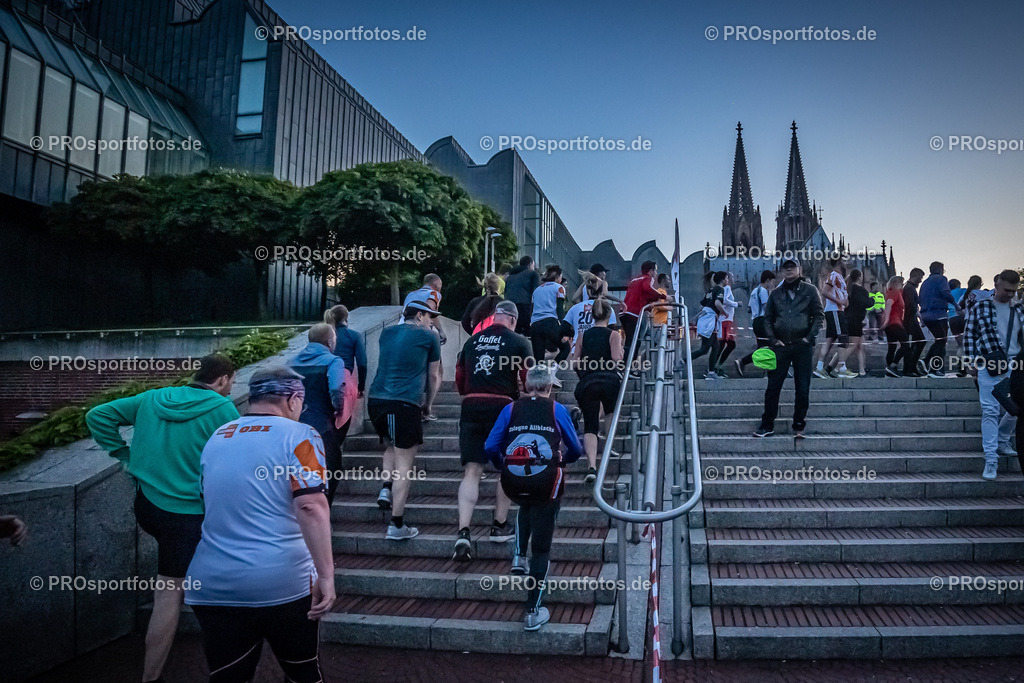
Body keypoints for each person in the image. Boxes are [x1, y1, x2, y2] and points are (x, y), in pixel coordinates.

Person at [85, 354, 238, 683]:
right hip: (187, 517)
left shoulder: (153, 398)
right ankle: (151, 677)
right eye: (232, 383)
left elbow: (98, 416)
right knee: (169, 593)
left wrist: (124, 457)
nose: (231, 389)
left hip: (148, 508)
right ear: (224, 379)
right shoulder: (223, 409)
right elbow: (234, 462)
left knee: (190, 577)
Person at [185, 367, 334, 683]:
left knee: (229, 676)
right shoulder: (301, 435)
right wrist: (326, 575)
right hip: (282, 579)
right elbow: (310, 505)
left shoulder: (218, 436)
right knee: (302, 671)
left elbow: (205, 500)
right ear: (293, 399)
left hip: (212, 582)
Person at [485, 365, 583, 631]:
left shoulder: (510, 408)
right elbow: (575, 447)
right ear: (549, 388)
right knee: (541, 547)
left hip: (513, 477)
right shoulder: (556, 409)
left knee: (525, 501)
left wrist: (501, 463)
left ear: (526, 386)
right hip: (546, 478)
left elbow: (490, 446)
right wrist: (564, 460)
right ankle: (533, 609)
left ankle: (518, 555)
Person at [453, 301, 532, 562]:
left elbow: (460, 380)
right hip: (503, 407)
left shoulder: (472, 342)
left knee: (472, 471)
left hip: (472, 404)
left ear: (494, 317)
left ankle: (463, 531)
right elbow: (529, 379)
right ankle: (499, 526)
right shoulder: (519, 342)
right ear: (512, 319)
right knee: (506, 467)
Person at [367, 300, 442, 539]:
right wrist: (428, 405)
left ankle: (385, 489)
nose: (433, 322)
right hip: (403, 403)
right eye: (430, 316)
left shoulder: (386, 333)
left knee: (391, 445)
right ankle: (397, 525)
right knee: (405, 465)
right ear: (419, 315)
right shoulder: (430, 337)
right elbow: (433, 375)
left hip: (376, 400)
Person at [963, 269, 1023, 480]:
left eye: (1014, 291)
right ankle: (991, 459)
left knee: (1016, 408)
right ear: (996, 285)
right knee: (989, 411)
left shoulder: (1019, 309)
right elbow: (970, 334)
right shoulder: (981, 306)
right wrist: (969, 362)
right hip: (988, 363)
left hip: (1016, 365)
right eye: (1007, 290)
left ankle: (1002, 439)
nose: (1010, 294)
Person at [754, 259, 823, 438]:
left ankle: (799, 425)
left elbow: (818, 315)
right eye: (786, 267)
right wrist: (774, 340)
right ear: (782, 271)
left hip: (803, 346)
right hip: (781, 346)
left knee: (802, 387)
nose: (789, 269)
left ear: (799, 270)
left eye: (792, 267)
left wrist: (809, 338)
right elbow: (768, 318)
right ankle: (767, 424)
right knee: (773, 387)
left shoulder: (810, 290)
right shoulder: (775, 293)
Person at [290, 323, 347, 504]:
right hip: (321, 425)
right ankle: (323, 514)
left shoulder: (291, 363)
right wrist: (338, 407)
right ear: (330, 342)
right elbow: (337, 388)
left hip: (293, 426)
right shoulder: (333, 361)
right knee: (332, 468)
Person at [571, 297, 623, 483]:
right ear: (609, 315)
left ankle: (591, 466)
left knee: (590, 424)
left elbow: (575, 361)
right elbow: (617, 358)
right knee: (610, 413)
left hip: (589, 382)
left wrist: (584, 373)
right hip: (610, 381)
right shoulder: (613, 334)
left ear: (592, 316)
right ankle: (609, 449)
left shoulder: (583, 335)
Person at [325, 304, 367, 440]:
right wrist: (361, 387)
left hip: (323, 378)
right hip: (344, 381)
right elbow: (362, 363)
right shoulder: (353, 336)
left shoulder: (327, 335)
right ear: (346, 317)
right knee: (342, 424)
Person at [530, 264, 570, 387]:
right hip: (550, 322)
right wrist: (564, 329)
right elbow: (559, 310)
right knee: (565, 348)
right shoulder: (559, 288)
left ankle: (537, 385)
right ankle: (552, 373)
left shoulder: (537, 290)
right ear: (558, 276)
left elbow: (532, 308)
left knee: (539, 358)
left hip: (535, 324)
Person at [814, 258, 854, 379]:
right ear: (838, 263)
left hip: (837, 310)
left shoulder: (839, 277)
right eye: (842, 262)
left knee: (830, 341)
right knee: (842, 338)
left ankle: (820, 368)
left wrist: (845, 301)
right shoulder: (834, 275)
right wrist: (840, 301)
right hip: (835, 311)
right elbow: (824, 292)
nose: (844, 264)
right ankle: (842, 368)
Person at [920, 261, 958, 378]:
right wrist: (956, 305)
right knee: (942, 341)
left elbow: (920, 298)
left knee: (939, 340)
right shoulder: (941, 279)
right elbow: (946, 293)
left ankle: (926, 361)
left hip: (926, 315)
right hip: (938, 314)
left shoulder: (925, 283)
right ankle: (936, 370)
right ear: (940, 269)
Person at [621, 260, 668, 356]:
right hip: (633, 313)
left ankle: (625, 365)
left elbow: (642, 295)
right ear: (651, 271)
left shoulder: (634, 280)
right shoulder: (648, 278)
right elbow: (648, 289)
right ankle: (629, 366)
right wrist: (664, 296)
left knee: (630, 340)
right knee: (635, 341)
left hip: (624, 313)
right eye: (655, 270)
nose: (656, 273)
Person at [735, 270, 776, 377]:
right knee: (768, 347)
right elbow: (766, 307)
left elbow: (749, 308)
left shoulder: (754, 291)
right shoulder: (763, 291)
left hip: (756, 321)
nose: (772, 284)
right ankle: (743, 361)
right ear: (767, 280)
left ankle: (765, 371)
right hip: (762, 321)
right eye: (772, 282)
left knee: (763, 348)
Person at [566, 270, 619, 348]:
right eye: (603, 274)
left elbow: (574, 298)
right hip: (598, 309)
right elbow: (605, 294)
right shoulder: (603, 283)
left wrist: (580, 305)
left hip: (583, 313)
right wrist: (620, 300)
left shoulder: (584, 284)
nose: (604, 276)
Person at [691, 271, 728, 379]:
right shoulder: (720, 289)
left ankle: (711, 372)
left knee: (716, 346)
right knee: (705, 349)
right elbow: (717, 303)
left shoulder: (710, 291)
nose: (728, 280)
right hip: (709, 320)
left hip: (707, 319)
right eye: (727, 278)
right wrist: (724, 312)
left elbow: (702, 305)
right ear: (722, 280)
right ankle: (683, 361)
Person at [881, 275, 911, 377]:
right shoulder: (894, 292)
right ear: (895, 283)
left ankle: (890, 370)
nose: (902, 285)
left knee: (892, 347)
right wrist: (887, 320)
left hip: (892, 324)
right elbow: (888, 304)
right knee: (905, 345)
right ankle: (892, 366)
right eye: (901, 283)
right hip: (894, 323)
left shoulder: (893, 292)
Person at [845, 269, 873, 377]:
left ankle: (862, 370)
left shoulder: (849, 288)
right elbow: (866, 303)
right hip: (855, 320)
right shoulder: (860, 290)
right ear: (860, 277)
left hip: (850, 319)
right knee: (853, 345)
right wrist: (872, 300)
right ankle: (836, 366)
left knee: (860, 346)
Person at [504, 256, 541, 335]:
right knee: (529, 333)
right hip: (525, 307)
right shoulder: (533, 274)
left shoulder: (510, 276)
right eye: (533, 265)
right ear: (530, 264)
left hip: (509, 307)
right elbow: (536, 293)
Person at [903, 268, 927, 377]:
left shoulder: (910, 288)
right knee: (919, 342)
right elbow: (911, 306)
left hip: (911, 319)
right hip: (908, 320)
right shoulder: (909, 288)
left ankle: (910, 367)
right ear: (915, 276)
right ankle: (909, 368)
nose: (921, 280)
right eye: (920, 278)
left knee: (917, 343)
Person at [715, 273, 739, 376]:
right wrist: (737, 304)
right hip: (725, 320)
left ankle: (716, 367)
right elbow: (723, 300)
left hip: (727, 320)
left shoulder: (726, 289)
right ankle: (713, 368)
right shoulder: (727, 288)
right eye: (731, 277)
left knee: (729, 344)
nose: (733, 279)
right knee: (723, 344)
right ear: (727, 279)